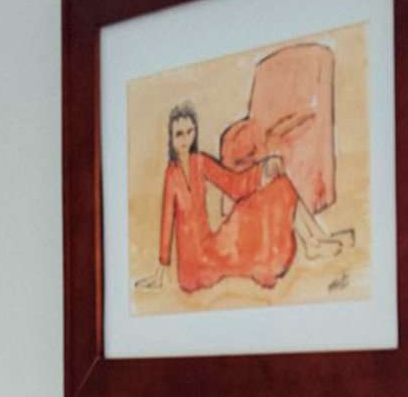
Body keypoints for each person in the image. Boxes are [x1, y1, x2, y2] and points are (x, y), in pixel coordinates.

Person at [136, 101, 350, 294]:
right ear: (171, 138)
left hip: (212, 246)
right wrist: (162, 267)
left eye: (189, 132)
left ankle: (316, 239)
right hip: (196, 266)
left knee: (281, 185)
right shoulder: (171, 174)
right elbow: (166, 220)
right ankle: (314, 241)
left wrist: (263, 169)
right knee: (270, 203)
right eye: (179, 134)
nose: (185, 139)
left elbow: (234, 185)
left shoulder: (199, 161)